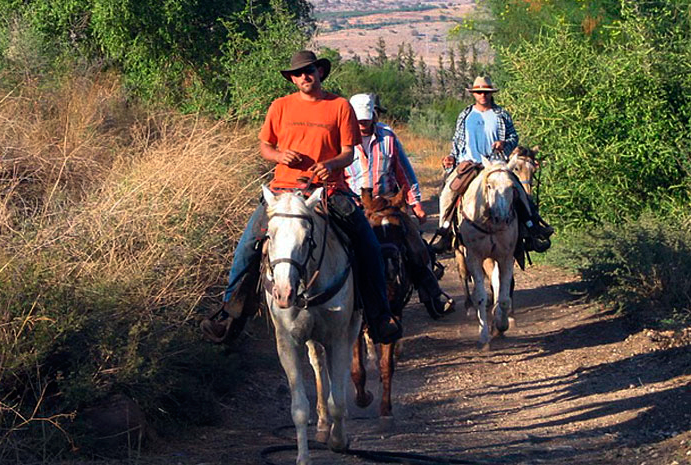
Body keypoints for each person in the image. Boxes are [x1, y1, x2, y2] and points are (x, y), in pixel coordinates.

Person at [201, 51, 402, 345]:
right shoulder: (280, 106)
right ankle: (229, 315)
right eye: (298, 73)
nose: (305, 76)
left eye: (310, 70)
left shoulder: (340, 106)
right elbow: (265, 146)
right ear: (292, 79)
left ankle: (379, 315)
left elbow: (348, 151)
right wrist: (280, 155)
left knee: (368, 244)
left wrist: (331, 164)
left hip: (328, 191)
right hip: (283, 190)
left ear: (320, 72)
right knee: (247, 245)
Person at [344, 93, 454, 318]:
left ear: (374, 115)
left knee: (415, 245)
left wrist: (416, 203)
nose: (363, 126)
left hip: (388, 202)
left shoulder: (387, 137)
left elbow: (403, 171)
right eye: (359, 121)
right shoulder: (341, 139)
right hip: (354, 204)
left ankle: (431, 293)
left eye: (366, 120)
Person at [435, 76, 553, 253]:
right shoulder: (465, 115)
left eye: (486, 92)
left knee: (521, 193)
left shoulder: (502, 114)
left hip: (498, 165)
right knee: (448, 193)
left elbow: (514, 138)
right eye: (479, 92)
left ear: (491, 94)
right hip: (470, 164)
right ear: (474, 94)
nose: (482, 95)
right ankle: (445, 232)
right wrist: (452, 157)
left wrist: (504, 143)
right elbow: (457, 141)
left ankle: (531, 230)